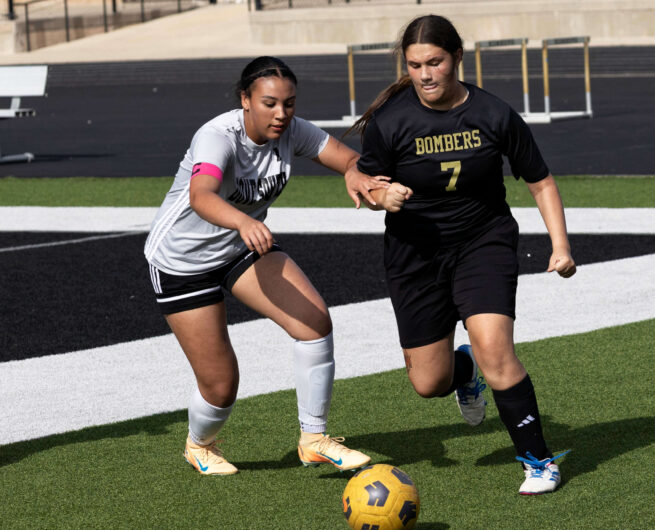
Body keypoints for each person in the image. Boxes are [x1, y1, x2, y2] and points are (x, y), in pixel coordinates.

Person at [349, 15, 576, 495]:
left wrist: (560, 246)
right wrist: (379, 198)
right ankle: (464, 370)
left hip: (482, 243)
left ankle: (538, 460)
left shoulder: (494, 114)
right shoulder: (390, 122)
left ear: (457, 58)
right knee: (429, 383)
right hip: (415, 256)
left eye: (435, 62)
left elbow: (541, 181)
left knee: (498, 351)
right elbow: (365, 183)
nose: (426, 75)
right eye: (415, 65)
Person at [144, 56, 388, 475]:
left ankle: (314, 438)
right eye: (269, 103)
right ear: (245, 100)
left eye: (289, 104)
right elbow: (201, 195)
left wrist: (353, 172)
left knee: (314, 322)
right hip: (182, 261)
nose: (281, 115)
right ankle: (200, 445)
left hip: (241, 247)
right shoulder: (217, 137)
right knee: (221, 387)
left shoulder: (293, 129)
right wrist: (242, 220)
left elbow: (349, 159)